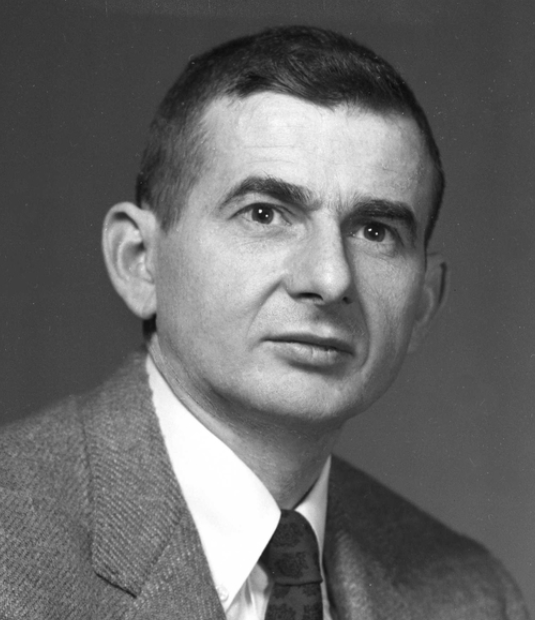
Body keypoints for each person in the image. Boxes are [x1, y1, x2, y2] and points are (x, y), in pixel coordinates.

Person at [0, 25, 528, 620]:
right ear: (140, 261)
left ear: (423, 304)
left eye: (374, 231)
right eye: (265, 214)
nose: (330, 278)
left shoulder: (475, 597)